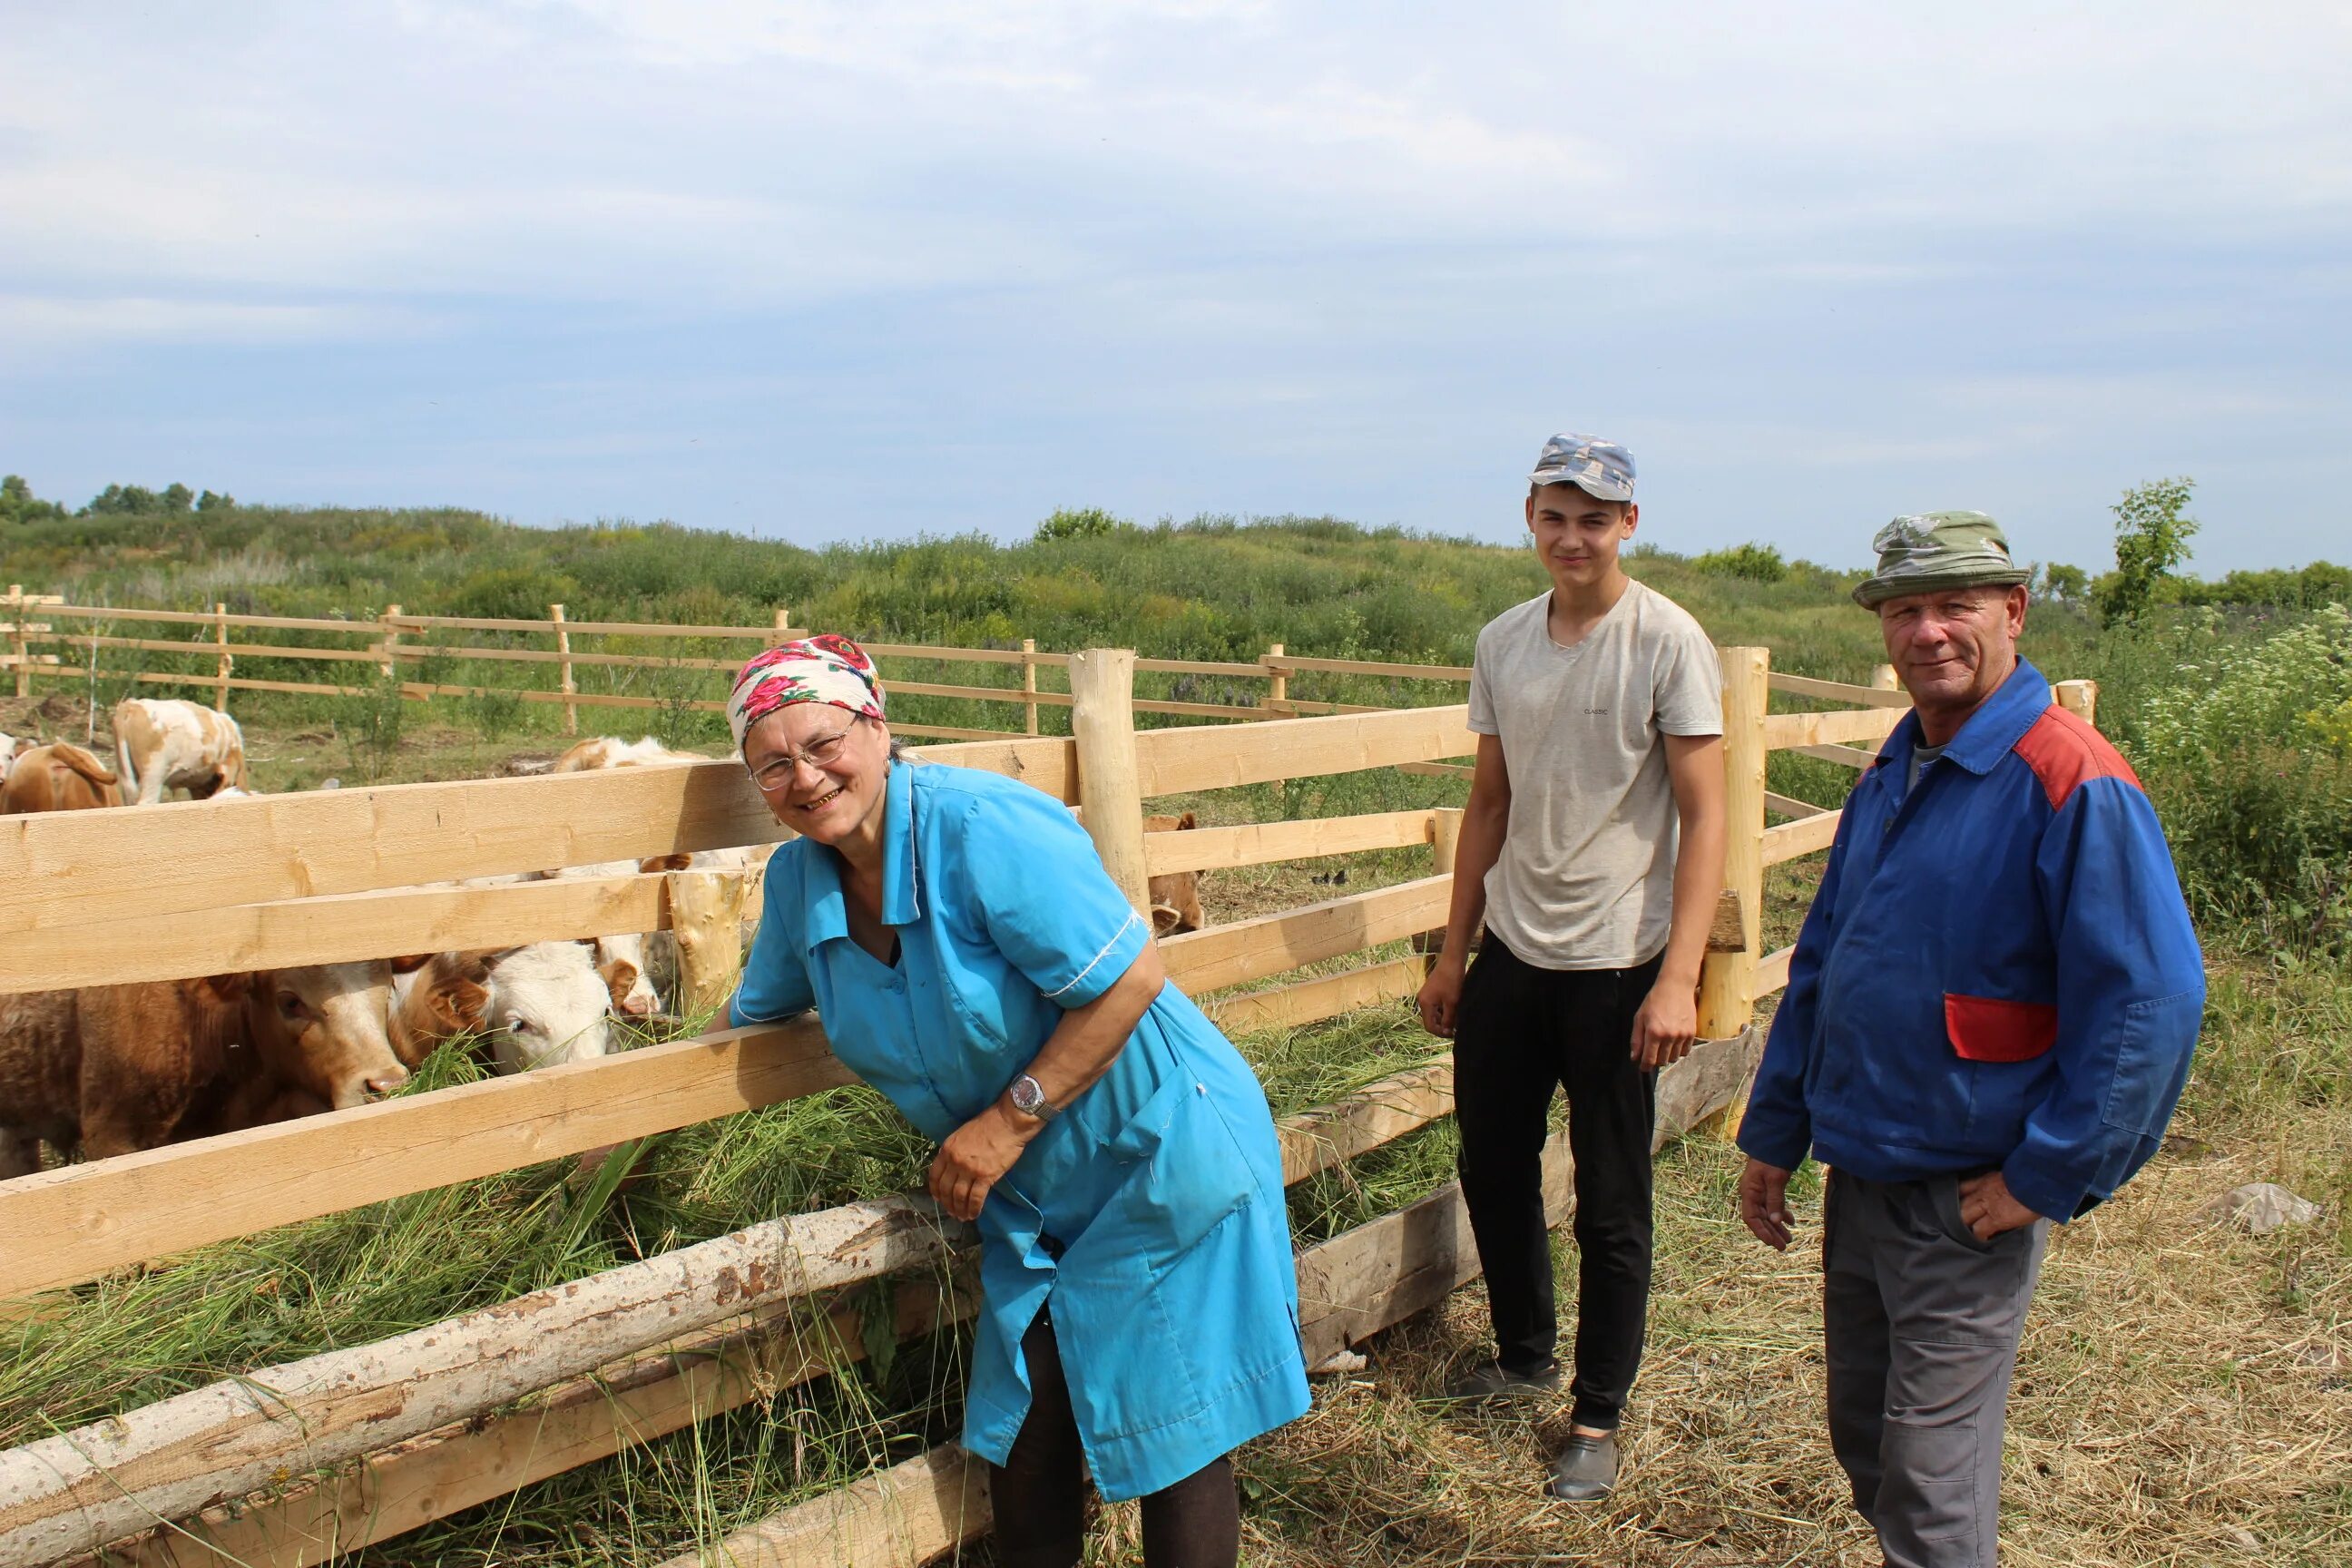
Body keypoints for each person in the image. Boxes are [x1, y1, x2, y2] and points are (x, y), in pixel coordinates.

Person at [723, 635, 1309, 1568]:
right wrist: (602, 1128)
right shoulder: (799, 881)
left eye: (823, 741)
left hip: (1158, 1143)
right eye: (773, 764)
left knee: (1173, 1421)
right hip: (1037, 1192)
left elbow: (1130, 979)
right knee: (1029, 1423)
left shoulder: (981, 828)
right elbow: (748, 1017)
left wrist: (1004, 1125)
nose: (804, 776)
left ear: (877, 728)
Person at [1734, 513, 2204, 1568]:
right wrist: (1778, 1130)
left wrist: (2048, 1174)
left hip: (1967, 1204)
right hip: (1862, 1178)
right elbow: (1828, 963)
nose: (1929, 632)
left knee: (1933, 1491)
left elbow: (2151, 1002)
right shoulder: (1897, 764)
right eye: (1906, 610)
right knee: (1868, 1443)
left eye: (1956, 606)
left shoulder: (2068, 777)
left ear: (2014, 613)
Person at [1416, 433, 1728, 1501]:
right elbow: (1489, 802)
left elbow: (1705, 813)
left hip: (1615, 964)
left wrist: (1679, 976)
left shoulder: (1668, 641)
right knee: (1491, 1167)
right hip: (1513, 951)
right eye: (1555, 516)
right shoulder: (1504, 642)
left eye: (1594, 518)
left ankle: (1595, 1416)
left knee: (1610, 1198)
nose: (1573, 537)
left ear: (1628, 524)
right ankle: (1522, 1356)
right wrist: (1454, 954)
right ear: (1530, 519)